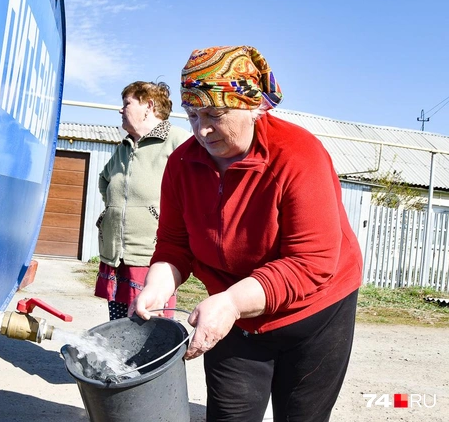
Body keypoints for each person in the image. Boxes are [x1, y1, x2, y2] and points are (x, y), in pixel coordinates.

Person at [129, 46, 363, 422]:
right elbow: (174, 244)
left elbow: (312, 261)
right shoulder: (182, 164)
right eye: (192, 115)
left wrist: (233, 302)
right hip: (233, 314)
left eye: (215, 114)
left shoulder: (299, 155)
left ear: (252, 106)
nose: (202, 130)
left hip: (314, 313)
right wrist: (157, 287)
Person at [95, 81, 191, 321]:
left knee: (150, 326)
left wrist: (153, 214)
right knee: (118, 325)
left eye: (126, 103)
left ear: (149, 106)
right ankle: (120, 360)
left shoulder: (179, 141)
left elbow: (196, 191)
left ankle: (153, 361)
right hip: (117, 253)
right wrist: (113, 211)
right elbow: (105, 179)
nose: (121, 110)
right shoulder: (125, 145)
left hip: (152, 256)